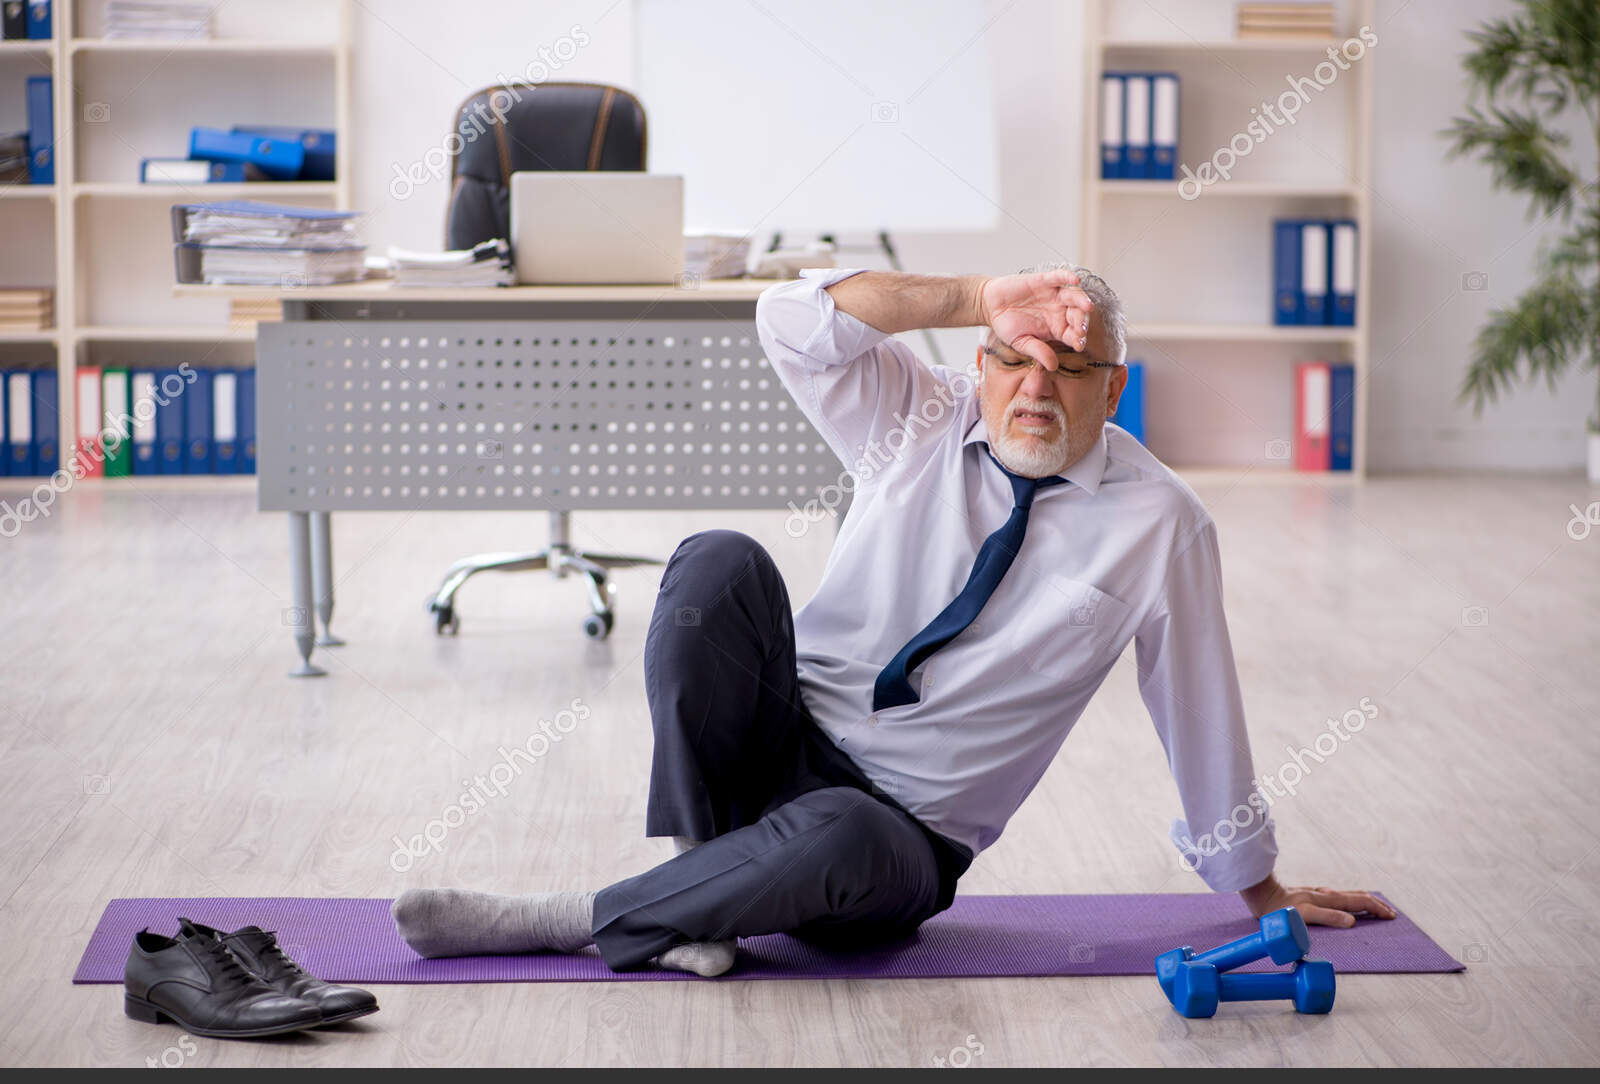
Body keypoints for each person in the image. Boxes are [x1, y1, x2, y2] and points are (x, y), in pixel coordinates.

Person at [392, 265, 1394, 977]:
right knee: (716, 561)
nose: (1033, 388)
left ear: (1113, 389)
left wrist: (1257, 889)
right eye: (1014, 356)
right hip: (778, 745)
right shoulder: (917, 410)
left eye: (1068, 369)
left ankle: (576, 916)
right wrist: (973, 291)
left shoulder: (1162, 522)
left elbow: (1197, 707)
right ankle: (702, 901)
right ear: (983, 356)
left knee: (837, 828)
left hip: (893, 840)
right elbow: (786, 316)